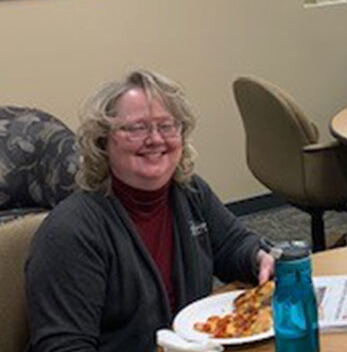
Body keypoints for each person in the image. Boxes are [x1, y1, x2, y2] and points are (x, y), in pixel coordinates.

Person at [25, 70, 275, 351]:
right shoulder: (71, 231)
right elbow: (65, 346)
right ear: (103, 142)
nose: (155, 139)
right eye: (137, 128)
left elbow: (232, 245)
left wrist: (258, 257)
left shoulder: (189, 192)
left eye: (167, 126)